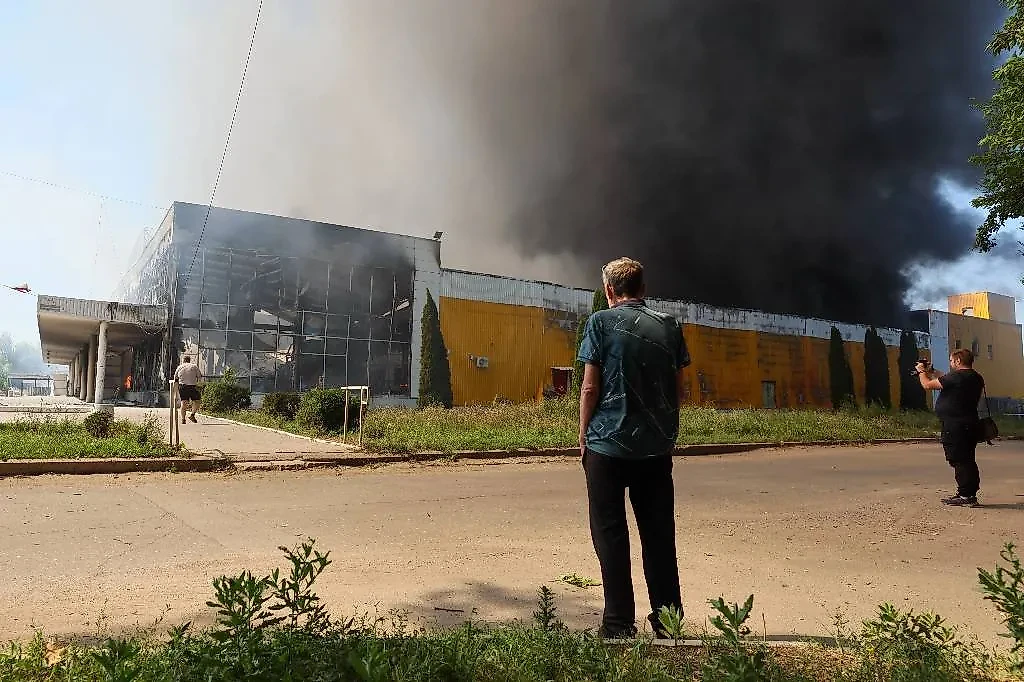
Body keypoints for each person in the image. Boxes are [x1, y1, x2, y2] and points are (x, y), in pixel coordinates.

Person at [577, 257, 691, 639]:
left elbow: (590, 387)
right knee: (659, 535)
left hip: (606, 448)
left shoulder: (600, 323)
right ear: (643, 288)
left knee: (610, 534)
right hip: (655, 452)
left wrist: (583, 434)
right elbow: (679, 392)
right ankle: (668, 623)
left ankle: (618, 624)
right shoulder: (671, 326)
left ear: (609, 290)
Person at [916, 349, 985, 507]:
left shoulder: (957, 377)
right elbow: (947, 379)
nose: (951, 364)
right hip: (970, 423)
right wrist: (932, 371)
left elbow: (927, 385)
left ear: (958, 361)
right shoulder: (975, 377)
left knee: (959, 460)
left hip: (955, 425)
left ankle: (966, 496)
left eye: (952, 361)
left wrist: (921, 372)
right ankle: (968, 493)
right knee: (967, 459)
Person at [174, 355, 202, 424]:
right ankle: (192, 415)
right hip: (192, 386)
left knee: (184, 403)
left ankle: (183, 419)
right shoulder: (194, 366)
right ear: (189, 360)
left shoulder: (179, 367)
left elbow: (175, 379)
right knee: (197, 401)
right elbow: (199, 376)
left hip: (182, 387)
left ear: (183, 360)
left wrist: (176, 391)